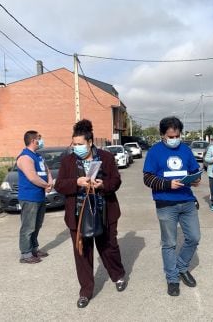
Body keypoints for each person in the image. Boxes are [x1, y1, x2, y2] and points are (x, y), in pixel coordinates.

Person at [55, 119, 127, 309]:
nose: (76, 147)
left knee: (109, 247)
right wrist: (76, 183)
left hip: (105, 211)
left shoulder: (106, 157)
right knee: (82, 253)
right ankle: (86, 290)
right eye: (74, 144)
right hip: (78, 214)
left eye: (80, 144)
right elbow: (59, 185)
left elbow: (116, 181)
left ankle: (118, 275)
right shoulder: (68, 161)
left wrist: (103, 185)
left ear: (90, 142)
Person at [143, 116, 201, 297]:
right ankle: (173, 278)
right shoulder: (154, 152)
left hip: (187, 201)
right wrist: (168, 184)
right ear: (162, 135)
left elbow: (193, 171)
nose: (174, 138)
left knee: (194, 237)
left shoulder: (185, 150)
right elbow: (148, 178)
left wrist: (196, 179)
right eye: (171, 136)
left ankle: (182, 267)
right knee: (169, 243)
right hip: (166, 204)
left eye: (177, 135)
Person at [17, 130, 53, 264]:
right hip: (29, 197)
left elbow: (47, 170)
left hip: (39, 196)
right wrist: (46, 186)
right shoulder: (25, 157)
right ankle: (26, 254)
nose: (41, 141)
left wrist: (50, 183)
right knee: (28, 226)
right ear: (33, 141)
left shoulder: (38, 156)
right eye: (39, 138)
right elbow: (32, 177)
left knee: (37, 225)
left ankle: (34, 249)